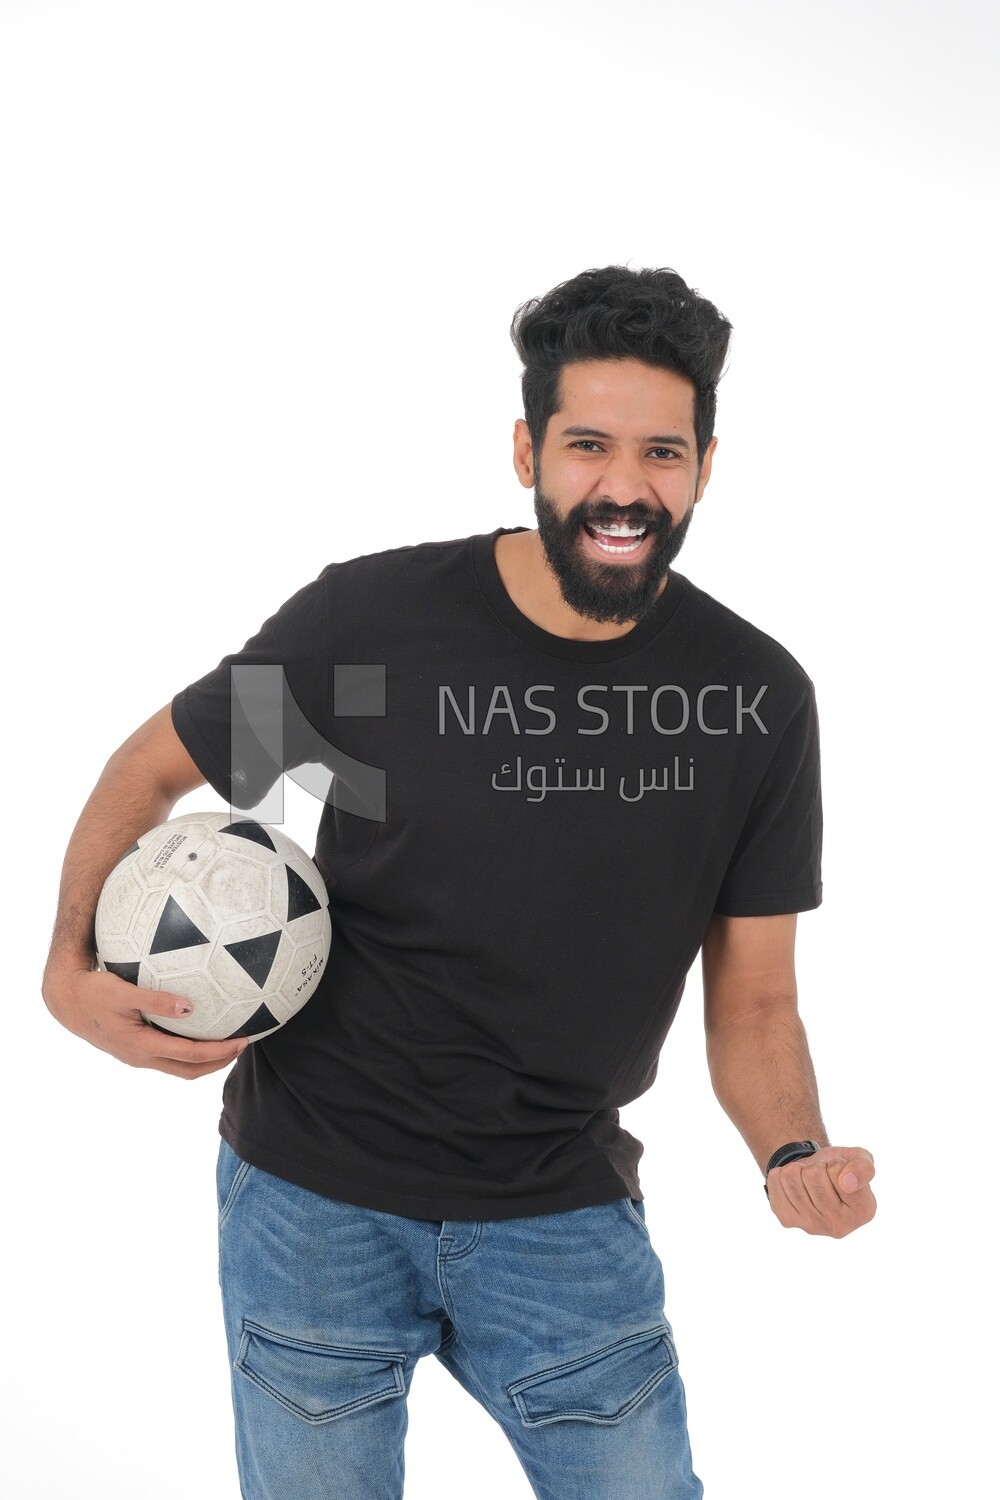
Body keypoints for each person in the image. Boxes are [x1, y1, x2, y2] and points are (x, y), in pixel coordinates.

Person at [42, 264, 876, 1499]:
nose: (624, 487)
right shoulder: (379, 632)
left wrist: (792, 1149)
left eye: (661, 452)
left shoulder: (749, 698)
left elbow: (752, 1001)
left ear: (705, 465)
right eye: (587, 445)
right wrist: (68, 972)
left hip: (561, 1218)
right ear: (527, 449)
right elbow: (161, 765)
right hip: (311, 1206)